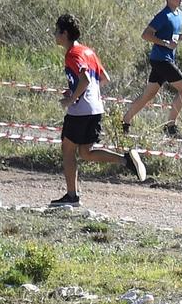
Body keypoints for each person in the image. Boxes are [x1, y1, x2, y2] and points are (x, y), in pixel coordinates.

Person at [49, 14, 145, 209]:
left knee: (68, 150)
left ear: (64, 33)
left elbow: (84, 79)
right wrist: (77, 89)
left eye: (56, 31)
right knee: (85, 152)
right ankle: (125, 160)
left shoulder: (73, 54)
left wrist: (71, 98)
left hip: (80, 111)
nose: (54, 34)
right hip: (95, 109)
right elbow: (104, 78)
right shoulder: (88, 51)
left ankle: (72, 196)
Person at [118, 0, 182, 137]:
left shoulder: (178, 14)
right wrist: (165, 43)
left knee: (148, 95)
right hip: (161, 60)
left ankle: (125, 122)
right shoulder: (163, 16)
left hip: (165, 59)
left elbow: (172, 37)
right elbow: (146, 34)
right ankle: (170, 126)